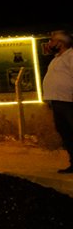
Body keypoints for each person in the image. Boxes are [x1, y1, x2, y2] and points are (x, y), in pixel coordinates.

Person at [41, 29, 73, 173]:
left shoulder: (71, 56)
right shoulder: (57, 58)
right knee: (65, 132)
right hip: (57, 101)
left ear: (60, 43)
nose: (49, 43)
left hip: (68, 101)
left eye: (52, 40)